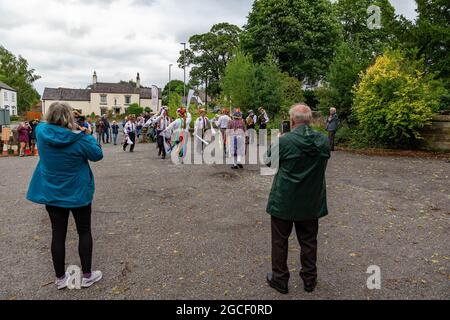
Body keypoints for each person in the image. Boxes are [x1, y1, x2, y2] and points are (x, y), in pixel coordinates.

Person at [26, 102, 104, 290]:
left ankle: (60, 278)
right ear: (70, 117)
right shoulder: (80, 139)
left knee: (57, 234)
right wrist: (86, 134)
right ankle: (86, 275)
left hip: (52, 191)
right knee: (84, 231)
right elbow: (97, 155)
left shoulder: (42, 132)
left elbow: (48, 126)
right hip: (78, 192)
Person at [265, 103, 330, 295]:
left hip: (284, 200)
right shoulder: (323, 140)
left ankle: (280, 280)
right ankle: (309, 280)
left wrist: (277, 141)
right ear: (309, 121)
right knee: (309, 241)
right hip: (311, 200)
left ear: (292, 121)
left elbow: (269, 162)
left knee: (279, 241)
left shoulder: (285, 141)